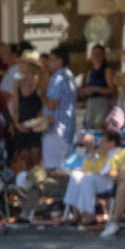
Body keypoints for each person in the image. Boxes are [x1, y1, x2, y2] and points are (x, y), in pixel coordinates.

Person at [40, 46, 78, 175]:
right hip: (67, 130)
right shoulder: (69, 75)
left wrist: (42, 95)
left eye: (51, 59)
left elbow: (51, 105)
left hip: (55, 131)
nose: (48, 62)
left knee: (53, 171)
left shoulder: (57, 78)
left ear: (60, 61)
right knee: (64, 169)